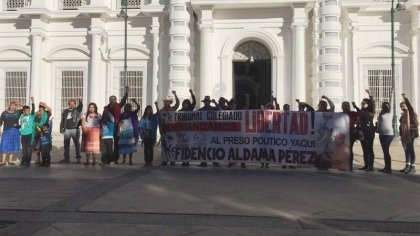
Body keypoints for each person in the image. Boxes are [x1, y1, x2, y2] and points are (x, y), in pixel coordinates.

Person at [353, 89, 376, 171]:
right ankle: (366, 165)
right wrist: (355, 107)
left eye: (364, 103)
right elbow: (359, 117)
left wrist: (370, 95)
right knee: (364, 149)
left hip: (369, 131)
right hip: (362, 132)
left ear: (368, 104)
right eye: (362, 103)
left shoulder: (371, 112)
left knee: (369, 148)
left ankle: (371, 166)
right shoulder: (362, 111)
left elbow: (373, 104)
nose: (362, 104)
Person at [105, 86, 128, 164]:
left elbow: (123, 101)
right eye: (111, 99)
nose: (112, 100)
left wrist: (126, 92)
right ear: (109, 100)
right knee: (109, 144)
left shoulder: (118, 106)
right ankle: (109, 158)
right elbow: (103, 118)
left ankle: (115, 159)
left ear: (116, 100)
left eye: (114, 99)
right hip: (108, 128)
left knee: (116, 143)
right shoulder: (106, 108)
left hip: (116, 127)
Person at [198, 96, 221, 167]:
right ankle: (204, 162)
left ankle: (215, 161)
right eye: (205, 102)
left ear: (209, 102)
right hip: (204, 131)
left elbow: (220, 110)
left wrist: (216, 103)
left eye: (207, 101)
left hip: (212, 131)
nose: (206, 103)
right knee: (204, 147)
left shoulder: (213, 109)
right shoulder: (201, 110)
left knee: (213, 147)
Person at [158, 91, 179, 166]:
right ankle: (164, 160)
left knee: (172, 145)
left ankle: (172, 160)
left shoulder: (173, 109)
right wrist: (160, 129)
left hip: (172, 130)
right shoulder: (161, 111)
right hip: (165, 130)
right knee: (164, 146)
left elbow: (178, 103)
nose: (166, 103)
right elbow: (159, 121)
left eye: (168, 101)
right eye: (165, 101)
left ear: (170, 102)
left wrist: (175, 95)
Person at [399, 93, 419, 174]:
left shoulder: (410, 113)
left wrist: (405, 99)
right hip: (405, 134)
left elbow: (410, 108)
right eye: (401, 107)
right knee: (406, 150)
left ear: (407, 106)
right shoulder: (403, 114)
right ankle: (407, 166)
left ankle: (413, 167)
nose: (402, 108)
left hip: (411, 134)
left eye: (403, 106)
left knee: (410, 149)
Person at [59, 97, 83, 163]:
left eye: (73, 104)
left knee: (77, 144)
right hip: (66, 129)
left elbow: (80, 106)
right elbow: (63, 120)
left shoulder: (77, 110)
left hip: (75, 129)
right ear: (68, 104)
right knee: (66, 144)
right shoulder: (65, 111)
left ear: (75, 105)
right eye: (70, 104)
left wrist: (80, 100)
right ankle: (66, 158)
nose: (71, 105)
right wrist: (61, 128)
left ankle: (78, 158)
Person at [118, 99, 140, 165]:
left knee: (131, 146)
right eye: (126, 107)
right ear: (124, 108)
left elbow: (138, 107)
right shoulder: (122, 114)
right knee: (124, 146)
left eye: (129, 107)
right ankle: (124, 159)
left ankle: (130, 160)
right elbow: (120, 123)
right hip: (124, 132)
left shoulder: (133, 113)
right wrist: (119, 130)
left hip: (132, 132)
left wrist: (135, 101)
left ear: (130, 108)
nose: (127, 108)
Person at [0, 100, 23, 166]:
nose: (13, 107)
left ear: (16, 107)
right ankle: (3, 161)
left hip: (15, 131)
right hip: (6, 131)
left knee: (12, 145)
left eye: (14, 106)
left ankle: (10, 160)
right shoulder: (4, 113)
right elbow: (0, 122)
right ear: (9, 105)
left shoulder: (18, 112)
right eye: (11, 105)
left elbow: (25, 108)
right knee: (4, 145)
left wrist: (20, 103)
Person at [376, 91, 394, 174]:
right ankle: (386, 167)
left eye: (386, 105)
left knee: (386, 151)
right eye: (383, 105)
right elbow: (379, 123)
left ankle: (389, 168)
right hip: (381, 134)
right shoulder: (381, 114)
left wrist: (391, 94)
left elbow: (391, 103)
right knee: (384, 151)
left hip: (388, 135)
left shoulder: (390, 113)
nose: (384, 106)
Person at [179, 89, 196, 166]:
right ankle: (183, 160)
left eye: (186, 103)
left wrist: (192, 93)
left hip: (189, 131)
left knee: (188, 146)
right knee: (183, 147)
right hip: (182, 131)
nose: (185, 104)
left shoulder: (190, 109)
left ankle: (187, 160)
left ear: (188, 104)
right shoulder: (180, 111)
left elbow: (194, 102)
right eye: (184, 103)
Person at [342, 101, 360, 172]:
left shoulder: (352, 113)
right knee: (344, 150)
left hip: (351, 134)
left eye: (346, 105)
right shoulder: (340, 114)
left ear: (349, 106)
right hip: (343, 134)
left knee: (350, 150)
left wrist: (355, 106)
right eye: (344, 105)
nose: (345, 107)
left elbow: (360, 113)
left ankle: (350, 166)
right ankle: (344, 165)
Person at [19, 97, 35, 166]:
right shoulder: (22, 116)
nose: (28, 111)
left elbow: (33, 110)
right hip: (23, 134)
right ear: (24, 111)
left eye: (29, 110)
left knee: (28, 148)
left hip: (29, 134)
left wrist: (33, 102)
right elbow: (24, 108)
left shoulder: (31, 116)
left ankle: (28, 161)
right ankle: (23, 160)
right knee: (24, 148)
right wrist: (21, 104)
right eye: (27, 110)